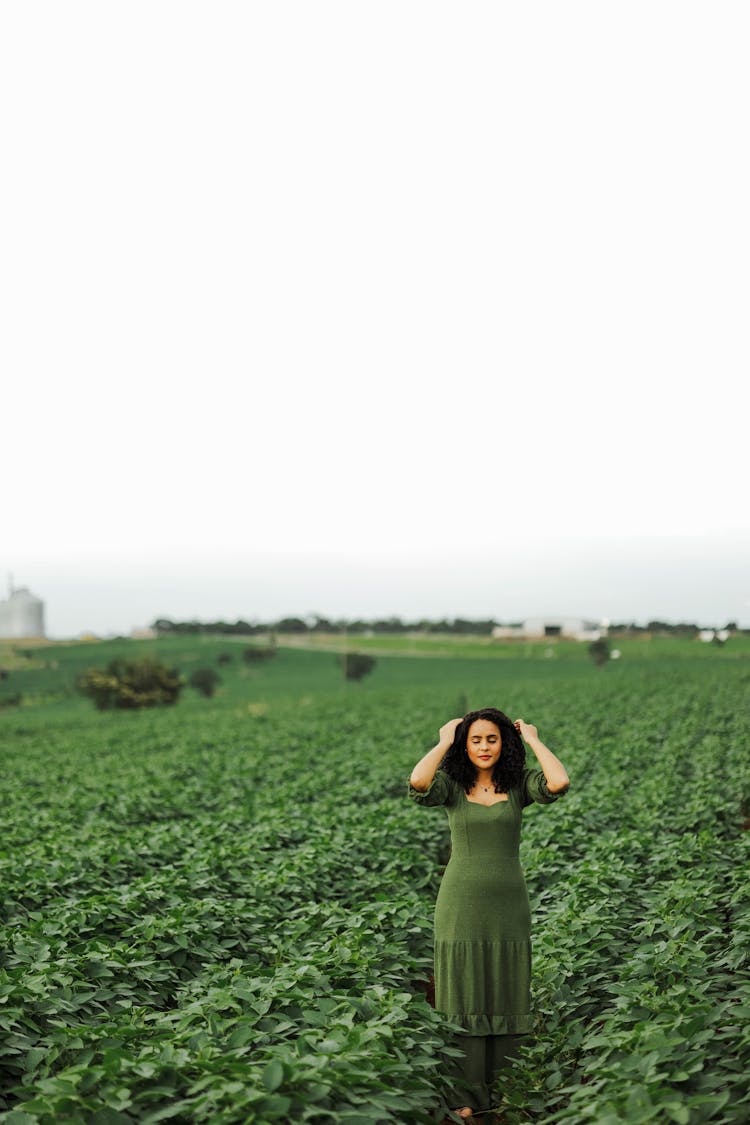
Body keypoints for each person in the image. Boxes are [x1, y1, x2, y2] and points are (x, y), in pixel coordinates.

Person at [407, 708, 570, 1122]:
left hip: (508, 904)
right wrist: (444, 739)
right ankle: (466, 1094)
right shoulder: (452, 784)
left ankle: (508, 1087)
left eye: (492, 739)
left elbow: (559, 782)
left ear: (504, 744)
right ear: (466, 744)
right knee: (463, 989)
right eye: (476, 739)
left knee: (504, 984)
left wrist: (532, 738)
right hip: (460, 902)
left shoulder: (517, 785)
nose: (484, 747)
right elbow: (418, 782)